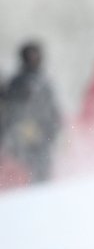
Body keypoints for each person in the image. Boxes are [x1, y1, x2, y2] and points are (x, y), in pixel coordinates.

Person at [1, 41, 61, 184]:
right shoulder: (17, 82)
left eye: (36, 55)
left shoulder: (44, 80)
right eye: (31, 55)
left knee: (43, 173)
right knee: (30, 173)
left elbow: (52, 108)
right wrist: (20, 128)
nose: (34, 58)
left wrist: (55, 127)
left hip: (44, 134)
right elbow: (11, 110)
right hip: (25, 137)